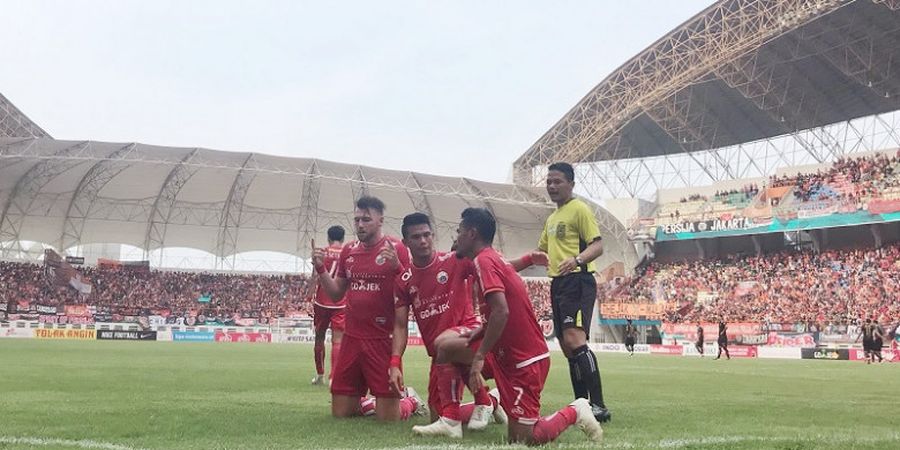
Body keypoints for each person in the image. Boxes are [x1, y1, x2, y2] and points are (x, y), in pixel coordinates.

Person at [440, 207, 603, 445]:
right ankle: (458, 416)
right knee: (447, 347)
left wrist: (480, 356)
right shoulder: (491, 258)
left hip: (524, 361)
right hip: (507, 356)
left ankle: (576, 410)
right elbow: (501, 311)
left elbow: (502, 311)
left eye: (459, 231)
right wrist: (482, 331)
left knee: (525, 440)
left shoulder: (485, 262)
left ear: (472, 233)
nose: (457, 236)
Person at [392, 212, 547, 438]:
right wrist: (395, 362)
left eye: (427, 235)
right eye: (416, 237)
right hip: (442, 352)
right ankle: (491, 401)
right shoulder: (404, 280)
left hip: (470, 334)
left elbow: (500, 267)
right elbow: (399, 326)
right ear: (405, 242)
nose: (423, 241)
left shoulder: (455, 260)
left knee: (446, 344)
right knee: (436, 414)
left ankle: (478, 405)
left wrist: (528, 260)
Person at [313, 196, 423, 420]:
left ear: (380, 220)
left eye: (366, 219)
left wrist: (398, 267)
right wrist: (321, 269)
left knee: (388, 420)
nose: (360, 225)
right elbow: (336, 294)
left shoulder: (397, 249)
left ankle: (411, 401)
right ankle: (368, 401)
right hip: (352, 339)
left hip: (382, 339)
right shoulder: (349, 251)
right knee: (341, 414)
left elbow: (413, 289)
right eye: (357, 220)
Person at [535, 162, 610, 423]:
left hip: (578, 280)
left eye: (557, 181)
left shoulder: (579, 209)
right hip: (557, 283)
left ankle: (599, 405)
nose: (552, 186)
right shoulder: (552, 218)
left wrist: (576, 260)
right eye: (549, 182)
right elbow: (543, 248)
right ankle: (582, 404)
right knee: (567, 346)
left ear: (571, 184)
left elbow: (598, 245)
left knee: (575, 339)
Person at [309, 225, 347, 386]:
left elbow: (315, 276)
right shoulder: (348, 253)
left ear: (329, 238)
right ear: (343, 238)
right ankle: (334, 378)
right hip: (340, 302)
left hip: (322, 301)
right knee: (337, 341)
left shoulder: (321, 252)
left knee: (319, 337)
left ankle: (320, 375)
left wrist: (310, 295)